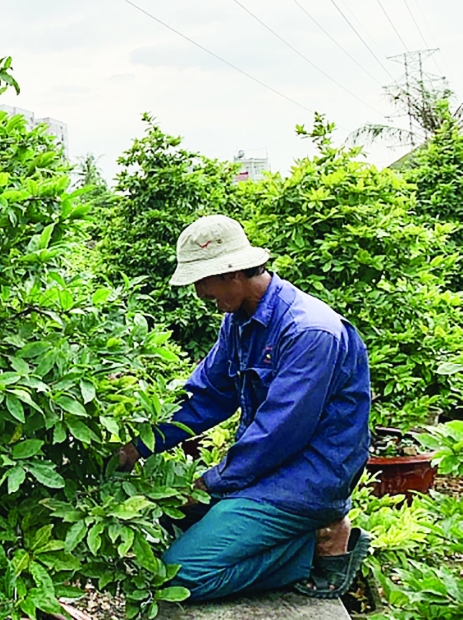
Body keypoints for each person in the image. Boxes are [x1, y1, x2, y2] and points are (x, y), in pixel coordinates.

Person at [117, 215, 371, 601]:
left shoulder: (309, 332)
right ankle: (289, 535)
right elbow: (207, 395)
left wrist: (209, 483)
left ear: (232, 273)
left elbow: (278, 432)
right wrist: (139, 445)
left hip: (304, 482)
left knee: (172, 581)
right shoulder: (238, 319)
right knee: (166, 528)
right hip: (264, 473)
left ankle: (316, 542)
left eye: (203, 282)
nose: (200, 294)